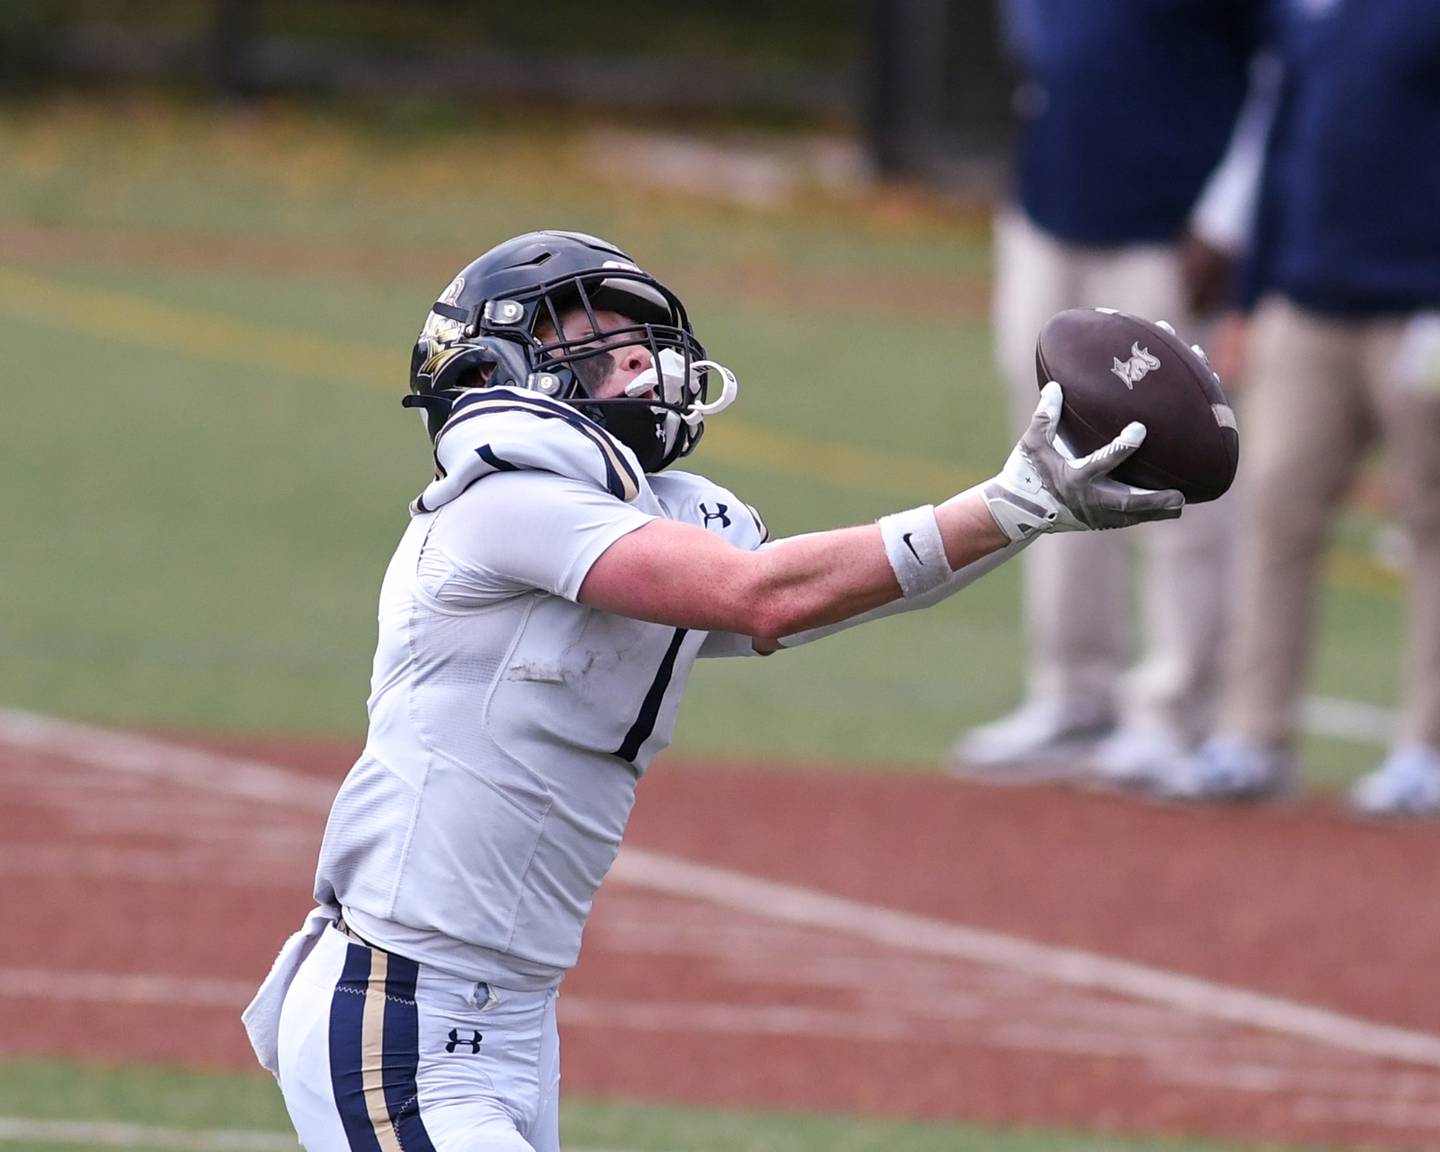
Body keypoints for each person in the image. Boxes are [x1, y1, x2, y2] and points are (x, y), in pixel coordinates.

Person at [240, 229, 1183, 1150]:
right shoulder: (500, 503)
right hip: (403, 1012)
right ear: (492, 369)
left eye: (636, 338)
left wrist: (1025, 515)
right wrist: (1007, 503)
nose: (636, 360)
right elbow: (764, 596)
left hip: (511, 1016)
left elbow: (815, 601)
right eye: (592, 339)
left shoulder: (642, 514)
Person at [949, 0, 1269, 786]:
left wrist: (1227, 221)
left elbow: (1276, 76)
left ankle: (1176, 712)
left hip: (1169, 236)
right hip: (1047, 219)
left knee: (1182, 468)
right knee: (1047, 461)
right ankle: (1073, 694)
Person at [1148, 0, 1440, 813]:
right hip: (1306, 302)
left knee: (1432, 521)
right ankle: (1254, 736)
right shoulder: (1307, 10)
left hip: (1423, 311)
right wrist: (1249, 298)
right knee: (1275, 515)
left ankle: (1427, 749)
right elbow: (1281, 141)